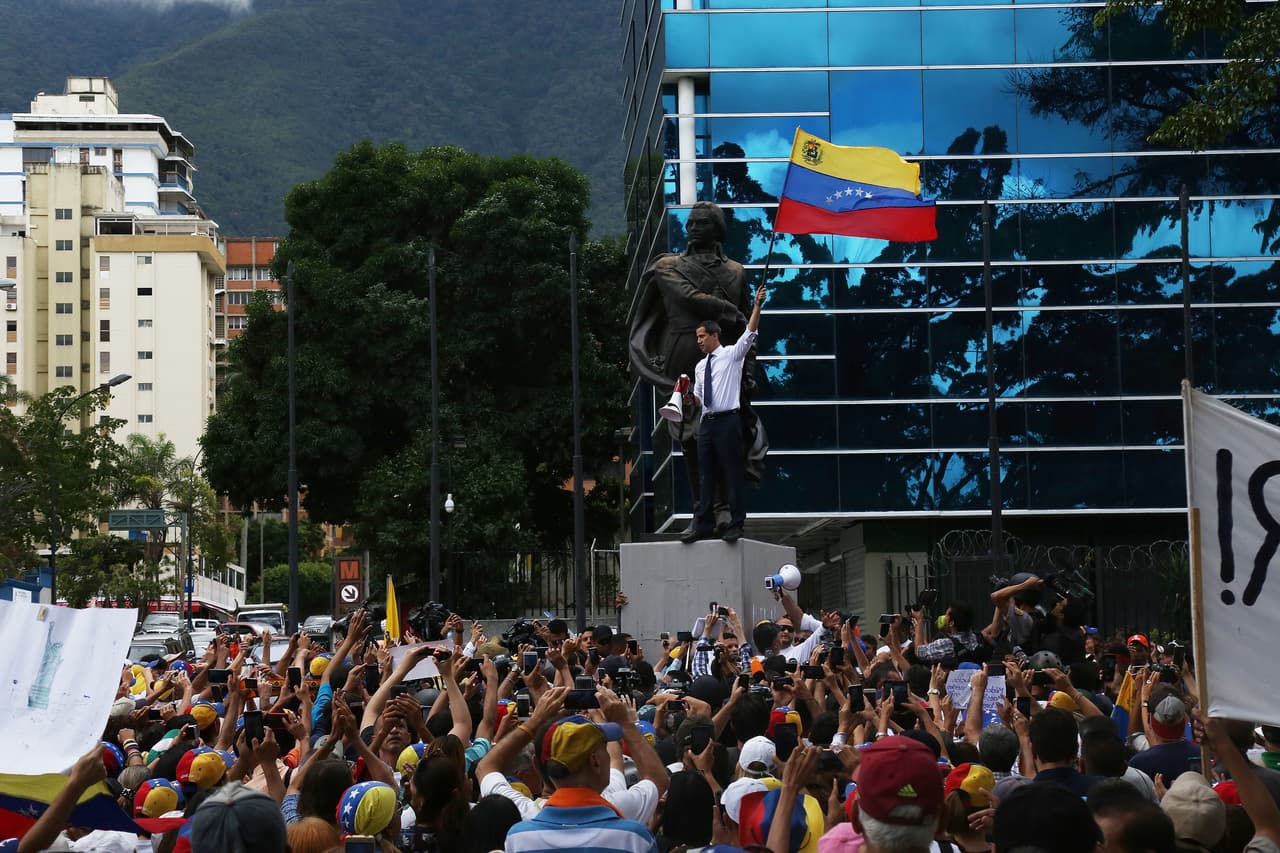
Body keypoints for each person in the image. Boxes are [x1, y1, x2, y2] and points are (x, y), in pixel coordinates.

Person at [629, 201, 767, 527]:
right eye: (690, 222)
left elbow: (748, 326)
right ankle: (704, 508)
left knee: (726, 436)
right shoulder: (667, 267)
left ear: (716, 228)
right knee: (692, 439)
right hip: (682, 357)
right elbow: (643, 321)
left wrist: (748, 369)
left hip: (724, 360)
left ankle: (724, 509)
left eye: (701, 222)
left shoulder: (735, 272)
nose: (693, 227)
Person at [681, 283, 768, 544]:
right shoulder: (699, 366)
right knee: (706, 474)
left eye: (701, 337)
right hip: (706, 422)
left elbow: (750, 333)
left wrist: (756, 306)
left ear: (714, 336)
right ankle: (703, 524)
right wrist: (687, 397)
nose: (698, 341)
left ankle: (736, 523)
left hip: (728, 420)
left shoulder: (732, 356)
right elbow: (698, 399)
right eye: (697, 338)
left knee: (731, 472)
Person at [503, 710, 658, 852]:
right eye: (604, 749)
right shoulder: (634, 838)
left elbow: (486, 768)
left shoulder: (517, 838)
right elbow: (655, 778)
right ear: (595, 761)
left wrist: (534, 720)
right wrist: (625, 723)